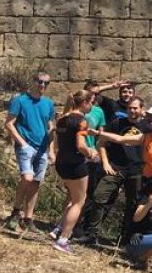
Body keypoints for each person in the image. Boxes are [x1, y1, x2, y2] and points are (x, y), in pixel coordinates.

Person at [80, 95, 152, 244]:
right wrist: (106, 163)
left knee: (132, 205)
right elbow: (101, 143)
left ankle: (124, 238)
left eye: (135, 108)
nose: (132, 111)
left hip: (137, 171)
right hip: (116, 168)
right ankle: (92, 234)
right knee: (99, 197)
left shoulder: (148, 129)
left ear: (142, 109)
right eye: (129, 108)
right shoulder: (117, 123)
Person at [2, 70, 56, 234]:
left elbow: (50, 128)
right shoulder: (20, 101)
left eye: (46, 83)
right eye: (40, 81)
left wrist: (51, 149)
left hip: (42, 149)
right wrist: (23, 144)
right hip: (26, 146)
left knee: (36, 183)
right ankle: (15, 213)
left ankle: (28, 218)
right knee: (27, 177)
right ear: (33, 81)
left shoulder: (48, 103)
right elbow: (9, 124)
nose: (42, 85)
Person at [49, 89, 99, 254]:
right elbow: (80, 145)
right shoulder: (81, 121)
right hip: (76, 164)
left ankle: (58, 230)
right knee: (79, 201)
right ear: (84, 103)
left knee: (72, 199)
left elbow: (58, 140)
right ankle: (63, 239)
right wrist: (91, 153)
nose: (92, 105)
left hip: (61, 162)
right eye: (91, 102)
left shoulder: (62, 118)